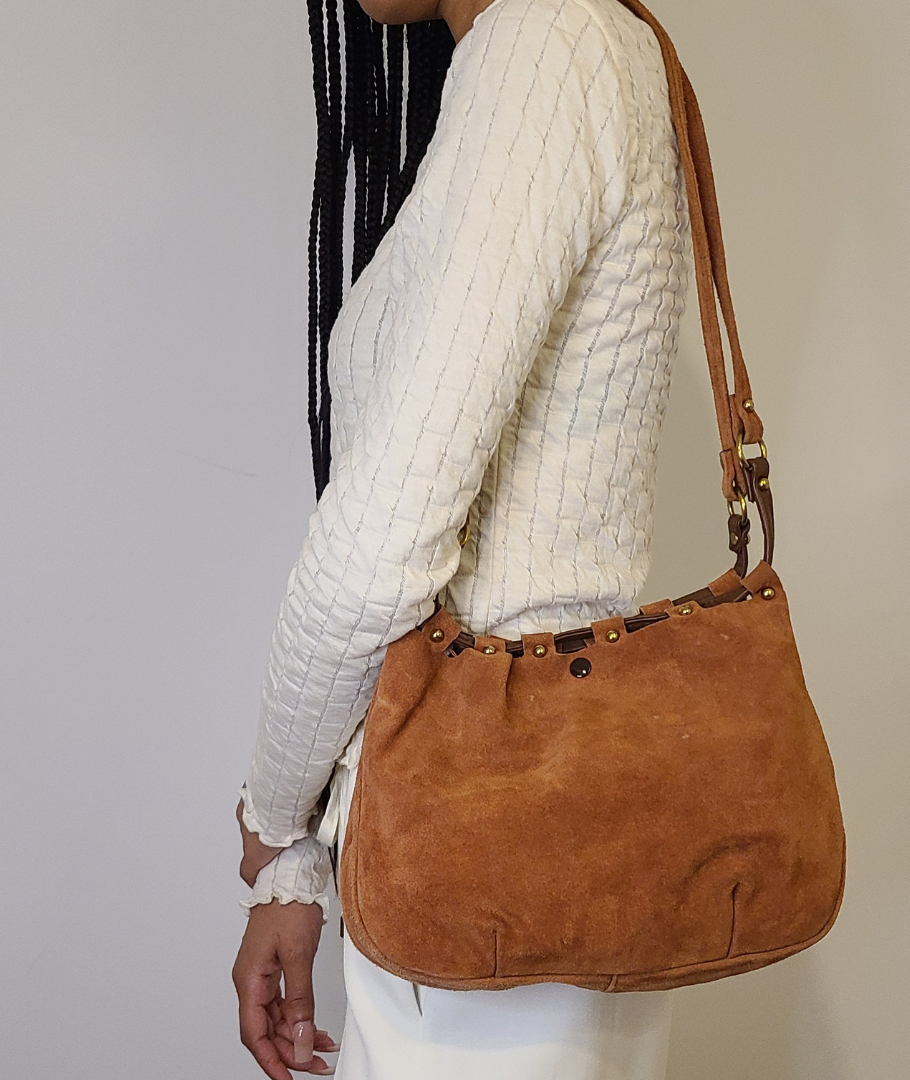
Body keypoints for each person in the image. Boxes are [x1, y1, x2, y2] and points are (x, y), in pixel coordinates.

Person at [232, 0, 691, 1075]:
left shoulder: (545, 44)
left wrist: (273, 819)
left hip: (490, 873)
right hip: (544, 848)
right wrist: (304, 867)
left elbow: (379, 547)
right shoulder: (584, 41)